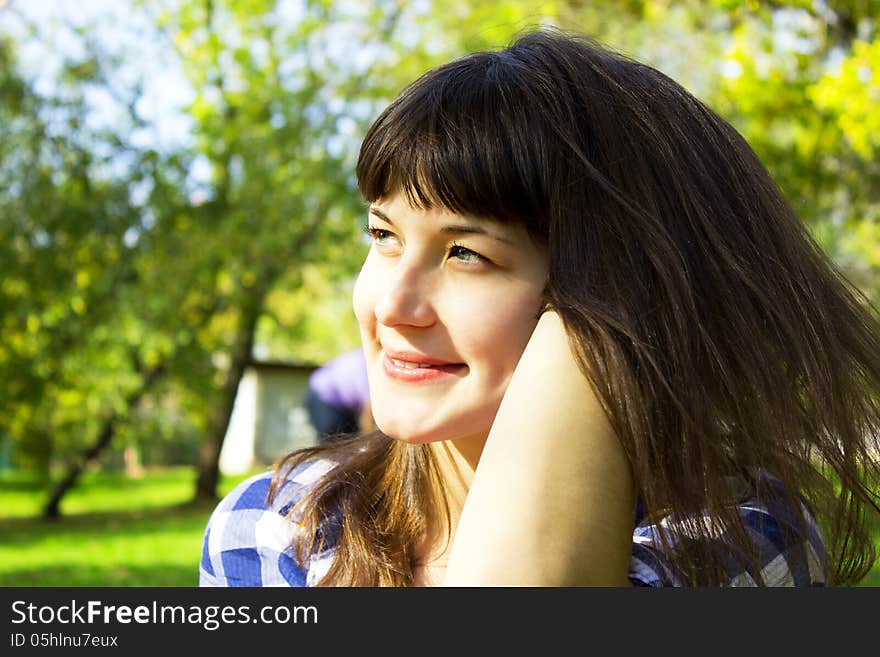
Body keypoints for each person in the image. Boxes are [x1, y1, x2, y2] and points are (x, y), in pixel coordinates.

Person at [199, 28, 880, 587]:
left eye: (467, 253)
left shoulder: (733, 543)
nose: (394, 304)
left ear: (609, 292)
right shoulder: (274, 528)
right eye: (384, 235)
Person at [304, 348, 373, 445]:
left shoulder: (367, 356)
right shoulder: (369, 365)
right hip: (324, 397)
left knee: (350, 442)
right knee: (332, 443)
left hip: (342, 403)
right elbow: (368, 413)